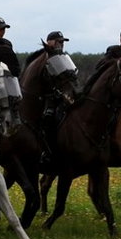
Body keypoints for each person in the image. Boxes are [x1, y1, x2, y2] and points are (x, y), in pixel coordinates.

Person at [25, 31, 72, 166]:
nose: (61, 45)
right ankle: (44, 151)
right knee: (48, 119)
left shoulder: (62, 58)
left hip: (58, 97)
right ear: (49, 42)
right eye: (58, 41)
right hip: (43, 99)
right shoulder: (41, 57)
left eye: (62, 42)